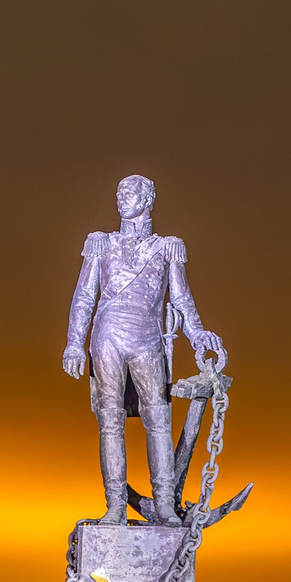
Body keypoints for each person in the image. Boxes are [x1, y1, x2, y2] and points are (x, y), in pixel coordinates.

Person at [62, 174, 222, 525]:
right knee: (109, 423)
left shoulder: (166, 248)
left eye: (130, 193)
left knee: (159, 419)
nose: (122, 198)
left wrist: (197, 334)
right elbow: (85, 296)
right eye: (119, 192)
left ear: (148, 199)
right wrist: (74, 342)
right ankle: (116, 505)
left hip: (148, 337)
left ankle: (164, 504)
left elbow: (179, 298)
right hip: (107, 337)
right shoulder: (101, 244)